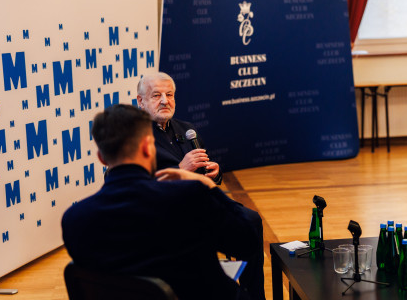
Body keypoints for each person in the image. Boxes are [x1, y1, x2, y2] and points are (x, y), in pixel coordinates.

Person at [61, 104, 259, 300]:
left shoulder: (74, 220)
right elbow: (247, 243)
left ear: (101, 158)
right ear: (148, 147)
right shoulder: (189, 198)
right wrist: (208, 187)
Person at [137, 72, 266, 300]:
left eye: (169, 95)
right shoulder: (136, 137)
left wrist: (214, 173)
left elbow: (205, 174)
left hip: (202, 202)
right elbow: (141, 188)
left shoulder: (187, 129)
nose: (165, 101)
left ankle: (254, 295)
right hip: (168, 212)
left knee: (251, 220)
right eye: (156, 95)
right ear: (141, 101)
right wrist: (181, 169)